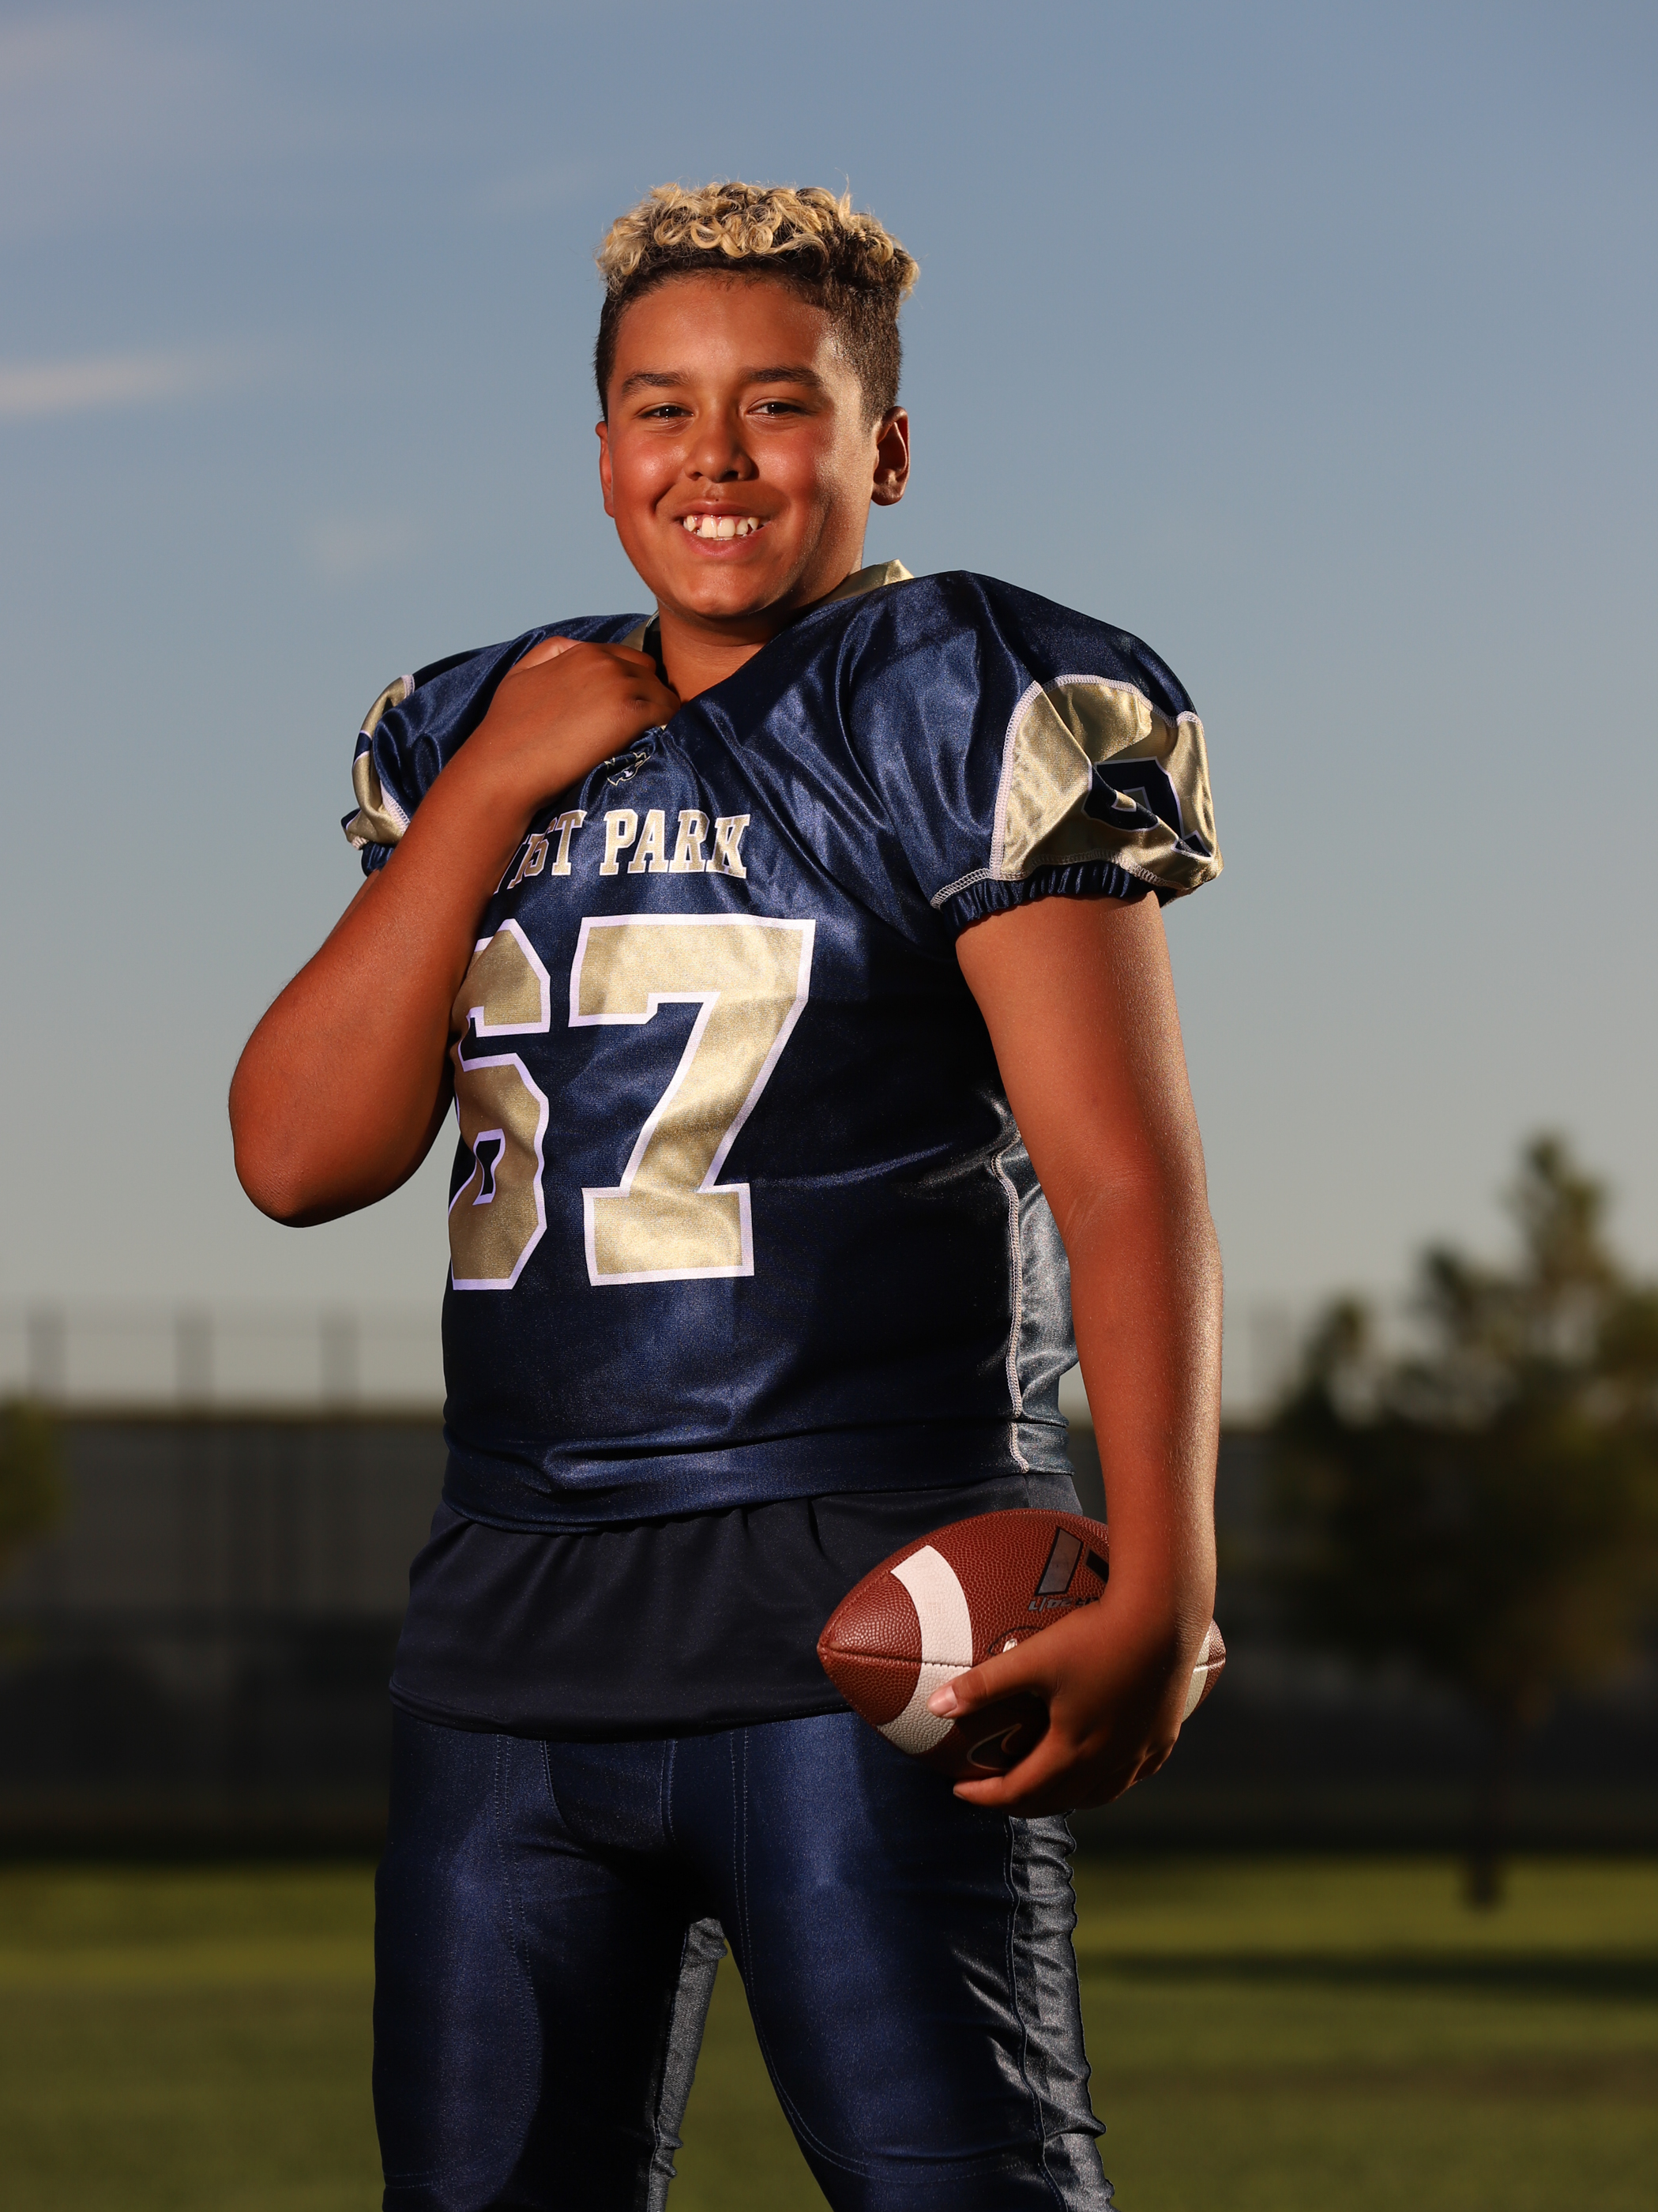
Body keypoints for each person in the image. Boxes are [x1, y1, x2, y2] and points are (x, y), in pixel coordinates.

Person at [231, 180, 1223, 2212]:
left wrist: (1169, 1571)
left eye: (779, 402)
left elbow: (1124, 1176)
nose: (715, 453)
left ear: (884, 445)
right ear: (599, 446)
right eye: (662, 406)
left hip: (861, 1592)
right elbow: (297, 1155)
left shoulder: (957, 692)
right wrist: (491, 790)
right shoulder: (473, 722)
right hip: (511, 1628)